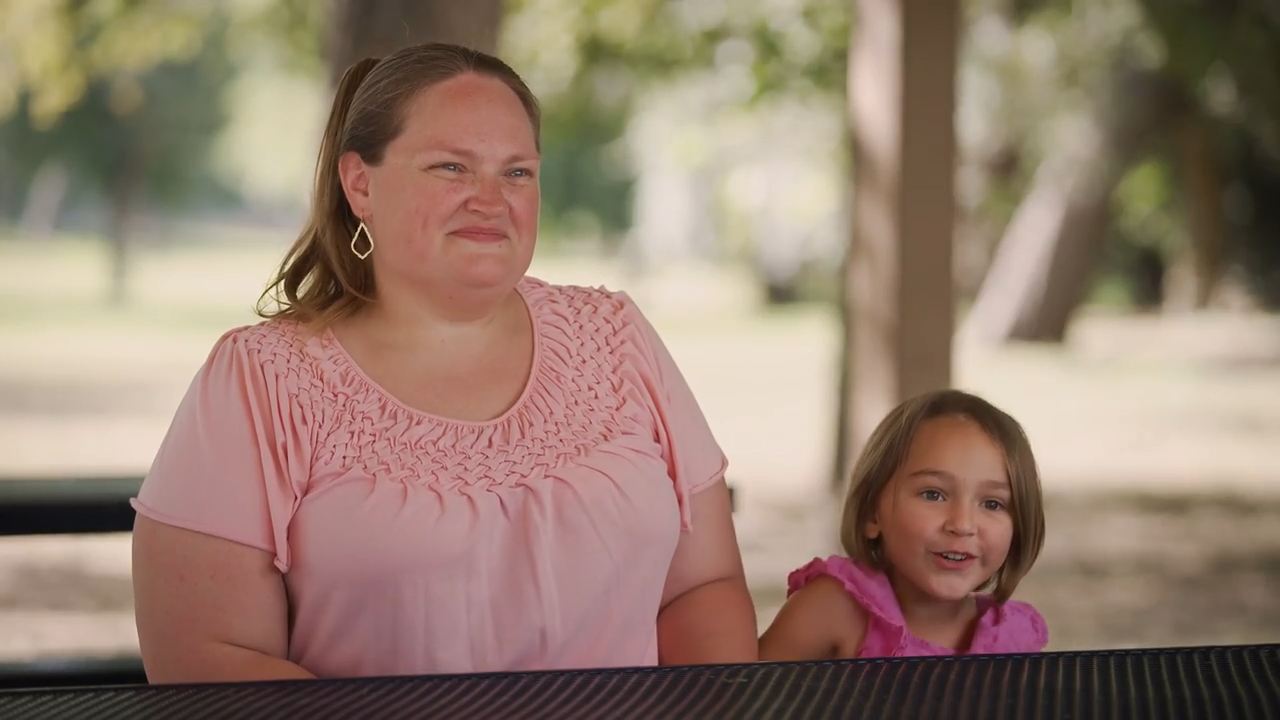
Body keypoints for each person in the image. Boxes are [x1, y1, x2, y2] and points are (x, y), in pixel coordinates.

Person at [130, 42, 757, 683]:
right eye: (451, 168)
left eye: (517, 172)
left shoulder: (617, 336)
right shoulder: (262, 381)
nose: (491, 199)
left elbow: (701, 587)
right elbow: (206, 660)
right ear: (360, 184)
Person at [759, 390, 1047, 659]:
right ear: (873, 513)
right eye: (933, 494)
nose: (962, 524)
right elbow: (744, 701)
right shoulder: (832, 609)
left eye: (992, 504)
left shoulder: (1014, 640)